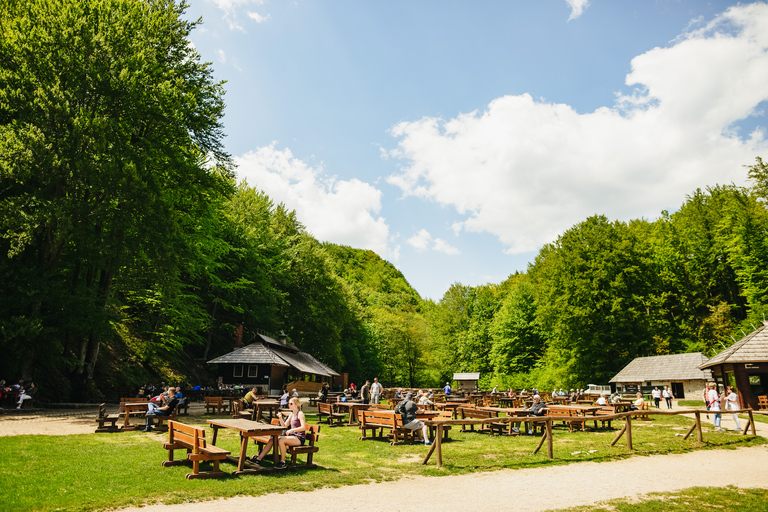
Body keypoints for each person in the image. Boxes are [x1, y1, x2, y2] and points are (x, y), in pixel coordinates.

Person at [251, 397, 306, 469]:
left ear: (296, 404)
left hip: (299, 438)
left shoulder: (300, 414)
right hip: (292, 437)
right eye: (289, 403)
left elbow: (303, 427)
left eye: (291, 403)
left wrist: (292, 430)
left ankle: (283, 462)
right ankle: (259, 459)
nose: (289, 405)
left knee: (281, 440)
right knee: (272, 439)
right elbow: (285, 426)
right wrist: (280, 417)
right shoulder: (291, 415)